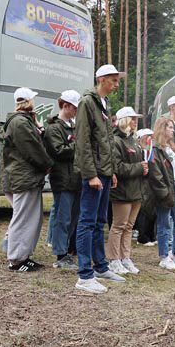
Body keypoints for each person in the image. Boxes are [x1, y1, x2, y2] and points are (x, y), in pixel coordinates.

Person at [74, 64, 126, 294]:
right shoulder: (87, 103)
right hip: (94, 174)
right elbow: (83, 141)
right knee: (87, 221)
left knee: (99, 221)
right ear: (102, 79)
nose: (116, 84)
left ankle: (101, 267)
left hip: (104, 173)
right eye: (114, 80)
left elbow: (106, 143)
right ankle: (84, 275)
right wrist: (91, 174)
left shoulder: (104, 104)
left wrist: (111, 170)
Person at [2, 87, 54, 272]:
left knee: (30, 218)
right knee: (23, 218)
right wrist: (48, 164)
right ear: (28, 102)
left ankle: (23, 256)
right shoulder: (20, 123)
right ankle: (16, 259)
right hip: (23, 176)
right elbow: (33, 149)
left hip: (27, 176)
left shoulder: (23, 121)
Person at [106, 107, 147, 275]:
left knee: (129, 226)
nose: (136, 121)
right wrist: (139, 167)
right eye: (132, 118)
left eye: (136, 119)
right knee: (119, 225)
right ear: (124, 120)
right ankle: (113, 260)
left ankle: (125, 257)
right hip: (122, 191)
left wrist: (143, 168)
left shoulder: (133, 140)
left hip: (135, 190)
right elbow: (117, 167)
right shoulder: (116, 140)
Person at [43, 90, 81, 271]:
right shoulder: (54, 128)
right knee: (62, 218)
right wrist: (79, 143)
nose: (76, 111)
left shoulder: (73, 126)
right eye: (74, 107)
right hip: (63, 179)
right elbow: (59, 151)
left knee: (73, 218)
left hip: (76, 179)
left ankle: (68, 249)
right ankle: (60, 254)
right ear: (65, 105)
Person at [151, 116, 175, 269]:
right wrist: (164, 192)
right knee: (164, 224)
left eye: (173, 128)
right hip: (164, 190)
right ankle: (164, 256)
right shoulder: (156, 149)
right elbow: (156, 174)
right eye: (169, 127)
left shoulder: (172, 147)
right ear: (162, 128)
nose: (172, 130)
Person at [135, 128, 158, 246]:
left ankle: (151, 235)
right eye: (148, 136)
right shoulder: (138, 150)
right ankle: (142, 237)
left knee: (153, 210)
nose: (151, 138)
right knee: (144, 210)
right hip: (142, 183)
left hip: (151, 182)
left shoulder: (151, 151)